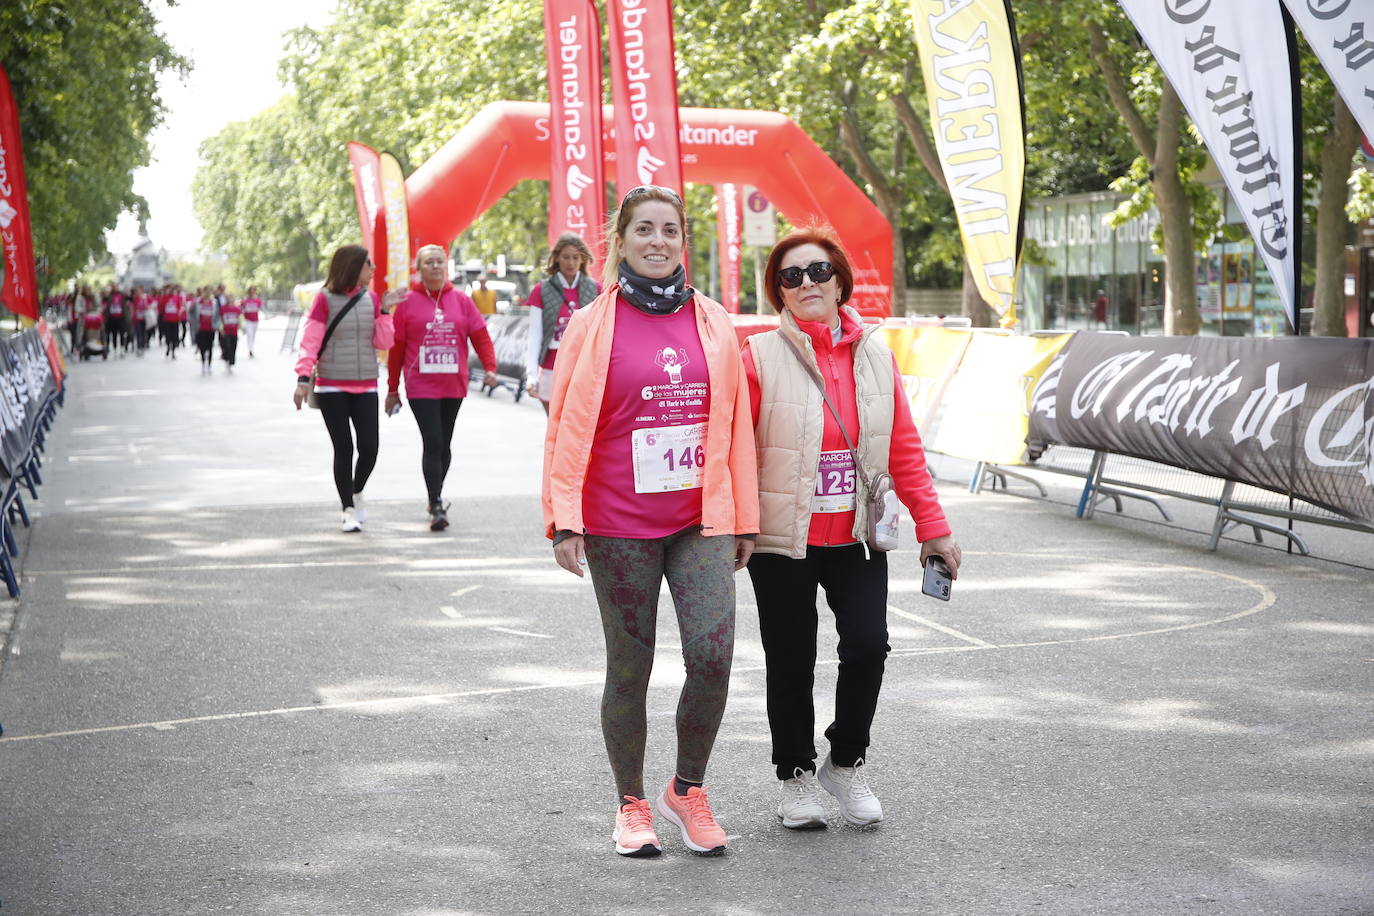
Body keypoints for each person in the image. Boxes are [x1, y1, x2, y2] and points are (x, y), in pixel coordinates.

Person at [542, 186, 759, 857]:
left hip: (701, 519)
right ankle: (631, 803)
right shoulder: (591, 322)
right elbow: (565, 425)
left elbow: (736, 427)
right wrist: (563, 518)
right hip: (616, 521)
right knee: (629, 669)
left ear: (682, 239)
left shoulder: (716, 320)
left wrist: (745, 515)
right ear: (622, 238)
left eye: (669, 229)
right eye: (644, 229)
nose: (657, 240)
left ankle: (686, 789)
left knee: (713, 657)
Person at [742, 226, 962, 830]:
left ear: (840, 279)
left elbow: (905, 450)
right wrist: (731, 527)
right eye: (790, 276)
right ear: (778, 292)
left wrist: (934, 529)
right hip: (783, 537)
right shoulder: (758, 356)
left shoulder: (876, 355)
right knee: (791, 658)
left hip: (858, 533)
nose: (806, 283)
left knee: (868, 645)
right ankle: (794, 776)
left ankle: (845, 760)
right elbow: (734, 450)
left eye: (817, 272)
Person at [385, 244, 498, 531]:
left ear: (446, 267)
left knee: (445, 445)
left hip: (453, 383)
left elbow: (480, 337)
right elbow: (396, 349)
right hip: (420, 384)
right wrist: (392, 388)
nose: (435, 266)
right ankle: (436, 502)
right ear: (419, 269)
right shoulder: (408, 303)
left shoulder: (461, 301)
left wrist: (490, 368)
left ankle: (435, 491)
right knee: (433, 441)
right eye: (429, 263)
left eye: (439, 262)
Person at [292, 245, 401, 532]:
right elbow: (311, 341)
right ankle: (347, 509)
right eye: (368, 264)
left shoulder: (373, 299)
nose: (373, 270)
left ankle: (356, 489)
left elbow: (384, 343)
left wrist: (386, 311)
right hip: (331, 387)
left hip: (365, 384)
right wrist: (303, 379)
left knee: (370, 447)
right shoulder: (324, 300)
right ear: (353, 266)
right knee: (344, 448)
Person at [524, 233, 600, 415]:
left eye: (576, 257)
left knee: (578, 424)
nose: (571, 263)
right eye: (566, 257)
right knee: (555, 424)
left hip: (583, 366)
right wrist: (531, 375)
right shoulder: (541, 290)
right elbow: (535, 336)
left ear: (583, 259)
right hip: (551, 366)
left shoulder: (595, 289)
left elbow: (601, 333)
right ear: (557, 258)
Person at [192, 291, 218, 373]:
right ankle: (203, 363)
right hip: (201, 329)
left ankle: (209, 365)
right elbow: (191, 311)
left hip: (210, 329)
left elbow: (217, 315)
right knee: (202, 347)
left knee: (210, 347)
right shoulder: (198, 303)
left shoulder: (214, 303)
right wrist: (194, 323)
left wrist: (216, 325)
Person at [219, 294, 242, 369]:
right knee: (227, 346)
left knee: (233, 346)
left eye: (230, 298)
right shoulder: (223, 308)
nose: (229, 300)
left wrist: (240, 326)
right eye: (228, 298)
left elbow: (240, 318)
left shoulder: (236, 309)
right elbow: (220, 319)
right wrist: (221, 329)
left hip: (234, 331)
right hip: (226, 331)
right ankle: (226, 357)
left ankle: (232, 360)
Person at [241, 286, 263, 356]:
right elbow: (241, 309)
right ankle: (250, 349)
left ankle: (251, 347)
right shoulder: (245, 300)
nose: (252, 293)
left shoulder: (257, 300)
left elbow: (260, 308)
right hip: (248, 320)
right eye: (250, 291)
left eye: (253, 291)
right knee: (249, 334)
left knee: (253, 335)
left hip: (255, 320)